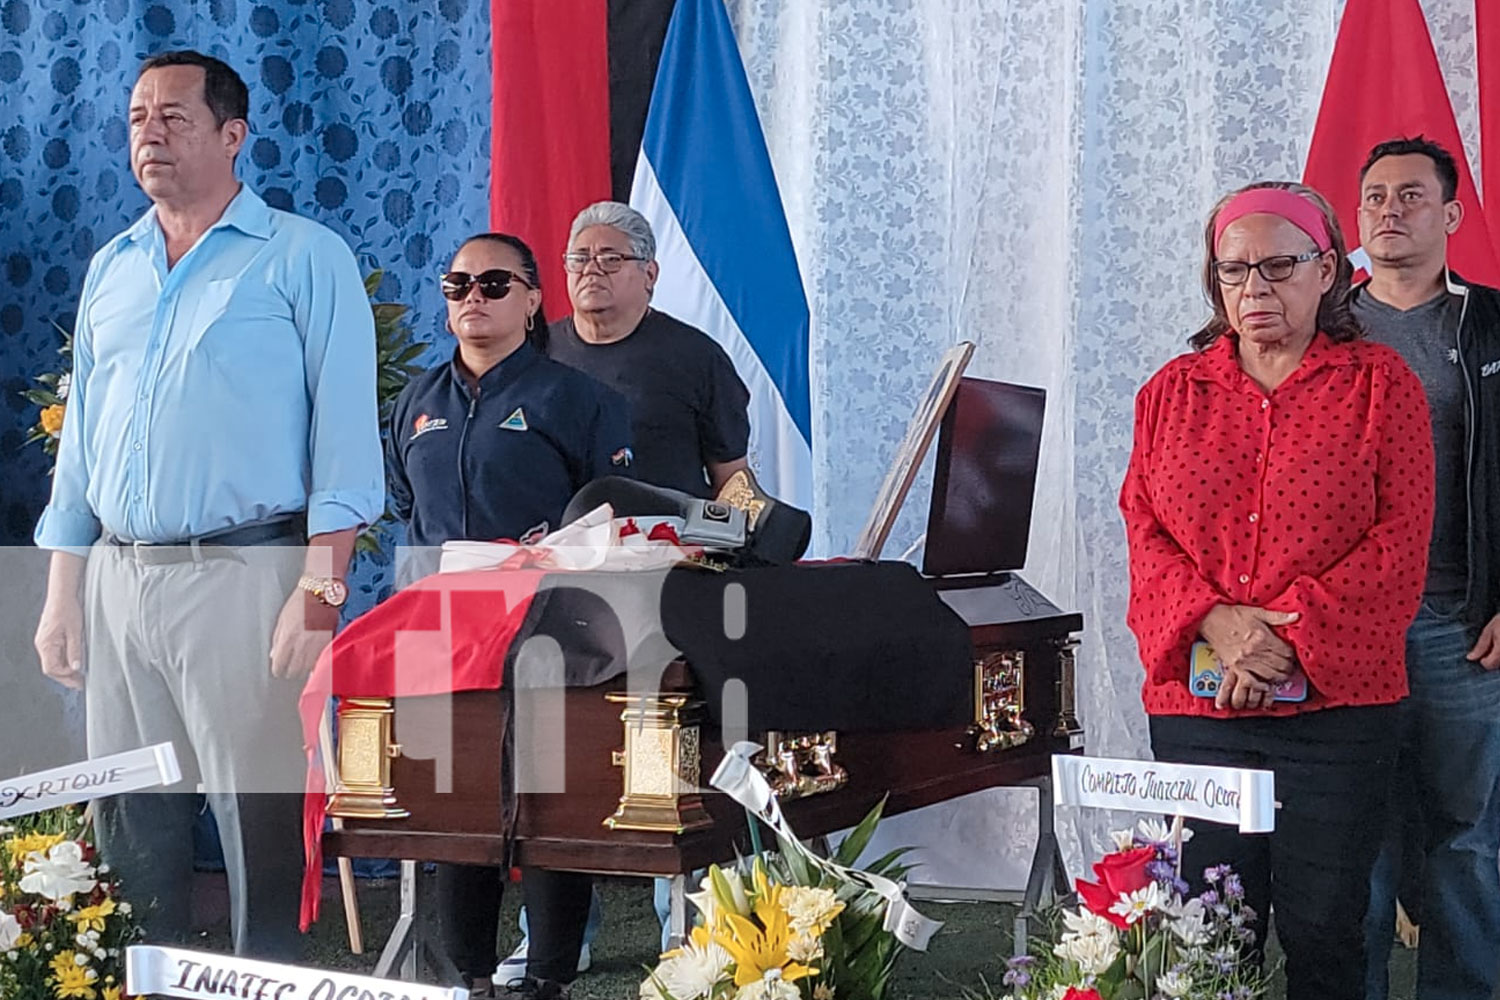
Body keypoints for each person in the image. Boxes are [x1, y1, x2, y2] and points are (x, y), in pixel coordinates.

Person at [30, 51, 383, 959]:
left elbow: (343, 443)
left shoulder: (305, 258)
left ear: (234, 136)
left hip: (245, 574)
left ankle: (273, 973)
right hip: (118, 577)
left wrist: (320, 593)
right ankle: (143, 973)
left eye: (175, 116)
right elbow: (83, 447)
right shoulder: (113, 268)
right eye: (139, 116)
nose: (151, 132)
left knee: (254, 815)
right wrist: (64, 592)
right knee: (129, 819)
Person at [1120, 181, 1435, 1000]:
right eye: (1234, 272)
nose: (1254, 289)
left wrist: (1275, 643)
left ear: (1326, 269)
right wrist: (1218, 625)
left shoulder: (1381, 384)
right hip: (1199, 709)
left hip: (1337, 712)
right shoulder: (1168, 395)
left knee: (1325, 924)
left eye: (1278, 266)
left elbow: (1399, 542)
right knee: (1204, 925)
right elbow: (1143, 530)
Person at [386, 231, 632, 1000]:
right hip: (442, 633)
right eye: (458, 286)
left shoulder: (584, 401)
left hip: (553, 632)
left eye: (494, 285)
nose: (473, 300)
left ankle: (549, 974)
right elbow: (408, 510)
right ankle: (469, 977)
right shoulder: (412, 405)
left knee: (552, 805)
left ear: (532, 299)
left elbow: (614, 522)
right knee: (454, 809)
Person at [1353, 136, 1500, 1000]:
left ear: (1449, 215)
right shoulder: (1320, 324)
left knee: (1467, 842)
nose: (1389, 211)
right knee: (1351, 840)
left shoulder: (1489, 325)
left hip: (1458, 627)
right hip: (1343, 637)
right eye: (1374, 197)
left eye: (1411, 196)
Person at [547, 200, 750, 497]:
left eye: (611, 259)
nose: (591, 270)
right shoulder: (537, 350)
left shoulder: (697, 357)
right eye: (579, 258)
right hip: (557, 539)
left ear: (650, 275)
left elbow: (732, 479)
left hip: (666, 538)